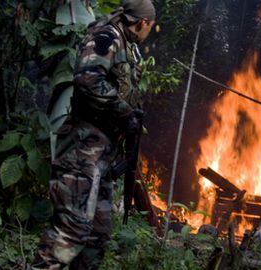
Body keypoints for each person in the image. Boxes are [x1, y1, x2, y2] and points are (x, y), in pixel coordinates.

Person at [32, 0, 156, 269]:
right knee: (72, 229)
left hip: (102, 155)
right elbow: (87, 80)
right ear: (143, 22)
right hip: (82, 150)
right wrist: (124, 111)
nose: (150, 31)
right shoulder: (106, 36)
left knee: (97, 235)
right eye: (151, 26)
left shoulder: (126, 44)